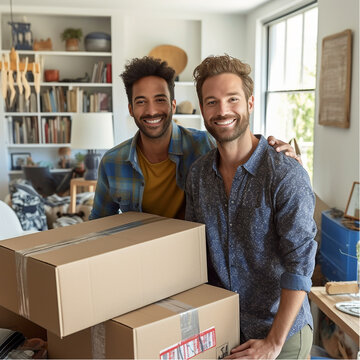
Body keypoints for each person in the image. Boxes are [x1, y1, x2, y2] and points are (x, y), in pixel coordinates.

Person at [185, 55, 317, 359]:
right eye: (211, 102)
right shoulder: (199, 175)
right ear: (203, 110)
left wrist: (273, 344)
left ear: (250, 103)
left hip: (281, 333)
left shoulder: (285, 173)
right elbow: (194, 254)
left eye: (232, 99)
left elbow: (300, 265)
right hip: (224, 329)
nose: (223, 111)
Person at [90, 56, 299, 220]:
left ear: (173, 105)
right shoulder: (112, 162)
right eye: (141, 102)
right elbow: (100, 225)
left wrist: (284, 158)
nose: (152, 110)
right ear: (131, 109)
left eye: (160, 99)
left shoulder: (204, 145)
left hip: (195, 261)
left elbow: (240, 145)